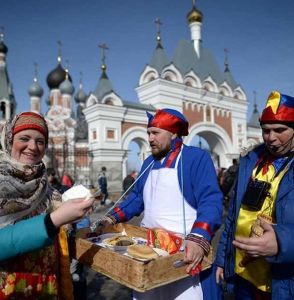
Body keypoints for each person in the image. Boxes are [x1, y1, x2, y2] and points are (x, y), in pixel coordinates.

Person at [99, 108, 223, 299]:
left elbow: (211, 201)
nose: (150, 138)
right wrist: (110, 218)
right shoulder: (148, 162)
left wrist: (199, 237)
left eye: (155, 132)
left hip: (184, 253)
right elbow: (136, 198)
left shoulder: (195, 158)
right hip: (148, 251)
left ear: (173, 133)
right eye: (148, 133)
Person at [0, 111, 96, 299]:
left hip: (47, 288)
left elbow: (59, 238)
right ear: (9, 140)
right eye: (24, 138)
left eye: (40, 141)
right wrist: (54, 220)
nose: (33, 147)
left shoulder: (48, 190)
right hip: (7, 291)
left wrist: (75, 217)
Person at [216, 90, 294, 300]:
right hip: (244, 277)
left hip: (283, 282)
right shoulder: (251, 160)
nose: (271, 138)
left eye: (280, 130)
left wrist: (282, 242)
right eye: (266, 130)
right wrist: (223, 259)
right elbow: (232, 217)